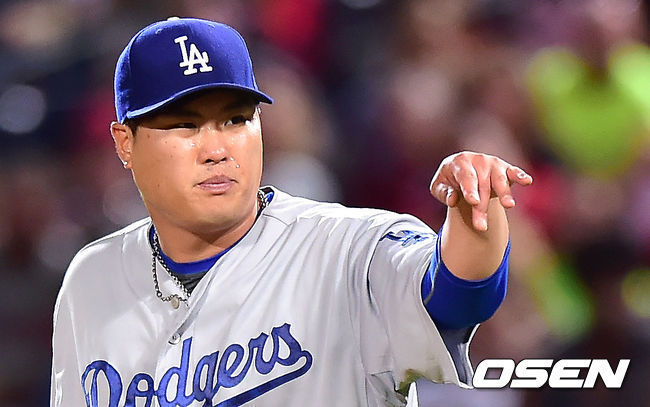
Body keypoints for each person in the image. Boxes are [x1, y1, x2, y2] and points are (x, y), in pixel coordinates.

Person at [50, 17, 532, 407]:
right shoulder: (91, 279)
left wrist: (474, 215)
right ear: (125, 143)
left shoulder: (348, 250)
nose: (216, 149)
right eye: (184, 126)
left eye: (236, 119)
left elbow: (456, 296)